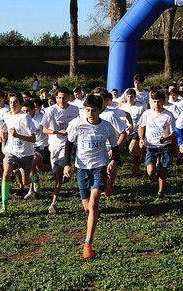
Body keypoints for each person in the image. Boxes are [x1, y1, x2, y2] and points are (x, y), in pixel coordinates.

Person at [63, 95, 120, 259]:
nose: (90, 113)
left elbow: (115, 148)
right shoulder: (76, 124)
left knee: (94, 204)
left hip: (100, 166)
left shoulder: (107, 127)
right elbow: (69, 144)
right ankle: (107, 184)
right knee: (87, 208)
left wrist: (114, 161)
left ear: (100, 110)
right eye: (87, 110)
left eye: (93, 110)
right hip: (82, 168)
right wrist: (67, 164)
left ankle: (88, 244)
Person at [41, 86, 80, 214]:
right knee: (57, 175)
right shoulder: (50, 110)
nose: (61, 100)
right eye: (59, 98)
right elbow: (43, 129)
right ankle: (55, 199)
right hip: (54, 146)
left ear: (69, 97)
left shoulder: (75, 110)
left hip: (68, 144)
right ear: (56, 98)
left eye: (64, 98)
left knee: (63, 169)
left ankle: (53, 202)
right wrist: (57, 132)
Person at [0, 93, 37, 215]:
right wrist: (1, 132)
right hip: (11, 151)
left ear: (20, 104)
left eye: (15, 102)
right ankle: (4, 207)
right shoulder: (6, 115)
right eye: (10, 102)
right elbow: (5, 125)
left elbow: (33, 139)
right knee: (6, 174)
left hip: (26, 154)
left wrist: (17, 135)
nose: (12, 105)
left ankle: (35, 180)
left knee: (26, 182)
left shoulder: (25, 118)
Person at [138, 90, 175, 201]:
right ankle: (154, 180)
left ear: (163, 102)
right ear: (151, 102)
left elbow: (174, 133)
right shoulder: (147, 113)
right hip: (151, 146)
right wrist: (141, 138)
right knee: (150, 170)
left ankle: (161, 192)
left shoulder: (168, 115)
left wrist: (167, 138)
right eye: (154, 101)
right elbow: (141, 126)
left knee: (163, 170)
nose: (156, 104)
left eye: (159, 101)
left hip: (165, 146)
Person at [23, 98, 48, 200]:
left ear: (34, 109)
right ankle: (37, 180)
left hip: (41, 146)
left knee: (32, 164)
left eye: (28, 111)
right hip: (28, 147)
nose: (26, 113)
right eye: (24, 111)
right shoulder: (22, 119)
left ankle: (31, 190)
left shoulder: (42, 118)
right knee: (38, 168)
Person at [120, 88, 146, 176]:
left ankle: (137, 165)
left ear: (135, 97)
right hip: (126, 131)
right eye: (128, 96)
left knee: (132, 148)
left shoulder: (141, 107)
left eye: (131, 96)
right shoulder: (123, 107)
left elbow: (144, 120)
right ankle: (136, 166)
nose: (130, 98)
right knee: (132, 152)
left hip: (137, 131)